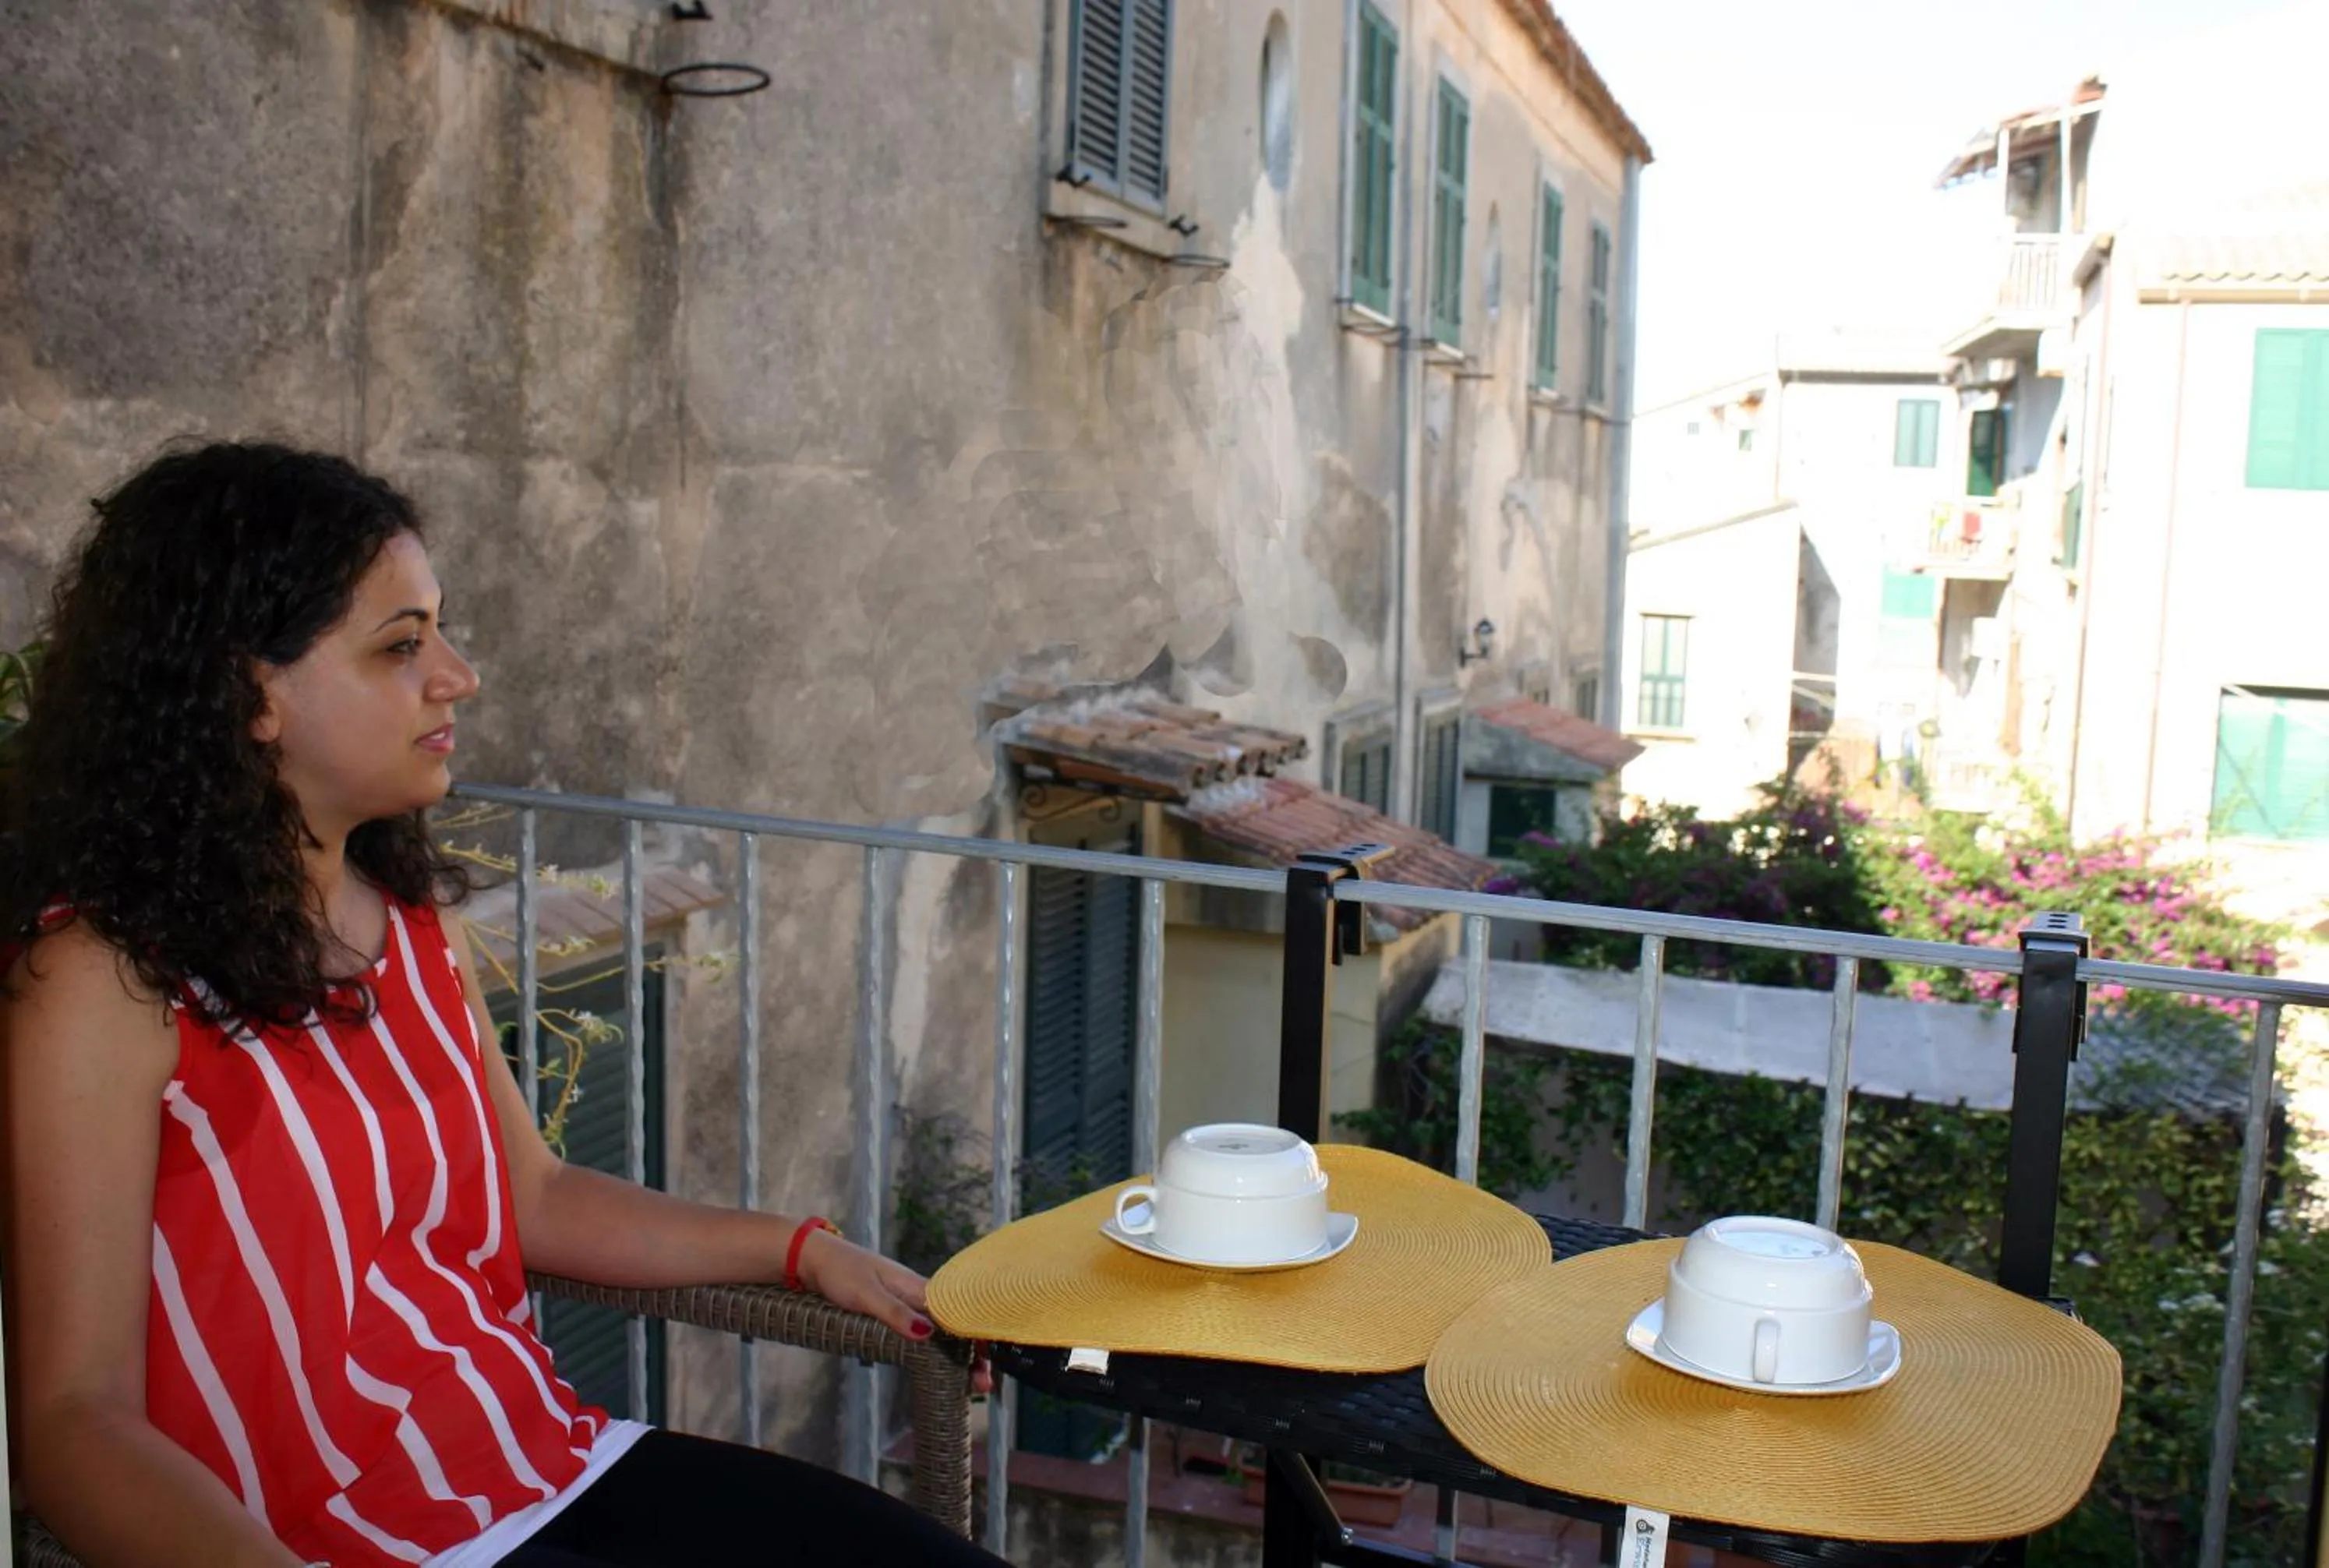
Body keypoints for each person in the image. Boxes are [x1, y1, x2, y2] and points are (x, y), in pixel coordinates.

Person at [1, 443, 1009, 1568]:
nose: (458, 676)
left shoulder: (402, 921)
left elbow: (531, 1194)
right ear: (249, 696)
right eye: (401, 646)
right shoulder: (104, 982)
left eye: (438, 630)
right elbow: (73, 1426)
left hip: (552, 1464)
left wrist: (800, 1249)